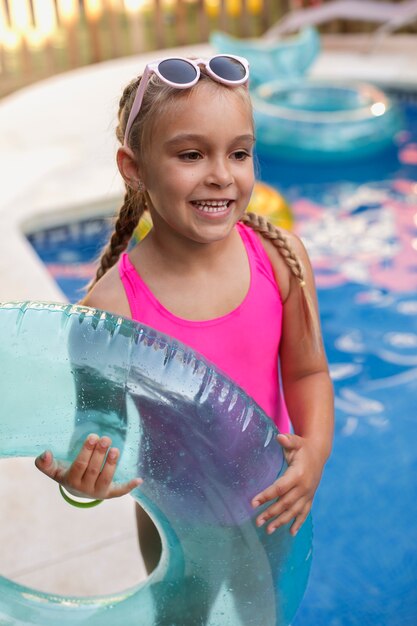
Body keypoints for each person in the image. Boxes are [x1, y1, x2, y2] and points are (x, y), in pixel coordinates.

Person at [35, 54, 333, 592]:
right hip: (176, 526)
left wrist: (314, 449)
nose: (221, 174)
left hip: (271, 511)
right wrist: (83, 485)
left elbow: (309, 373)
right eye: (191, 154)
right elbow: (98, 437)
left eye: (239, 153)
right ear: (134, 168)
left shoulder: (279, 257)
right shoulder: (112, 311)